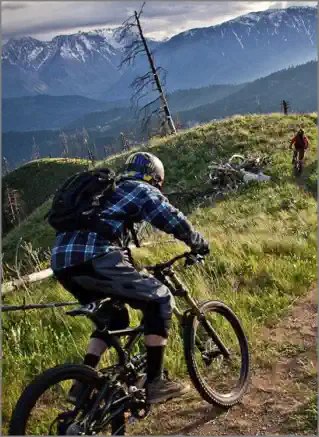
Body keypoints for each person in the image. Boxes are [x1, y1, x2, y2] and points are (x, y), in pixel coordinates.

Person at [51, 151, 209, 405]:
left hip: (62, 262)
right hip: (95, 258)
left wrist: (133, 269)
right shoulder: (140, 188)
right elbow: (171, 218)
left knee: (114, 315)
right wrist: (197, 242)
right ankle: (155, 383)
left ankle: (82, 382)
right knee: (160, 299)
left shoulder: (107, 193)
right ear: (156, 177)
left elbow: (108, 237)